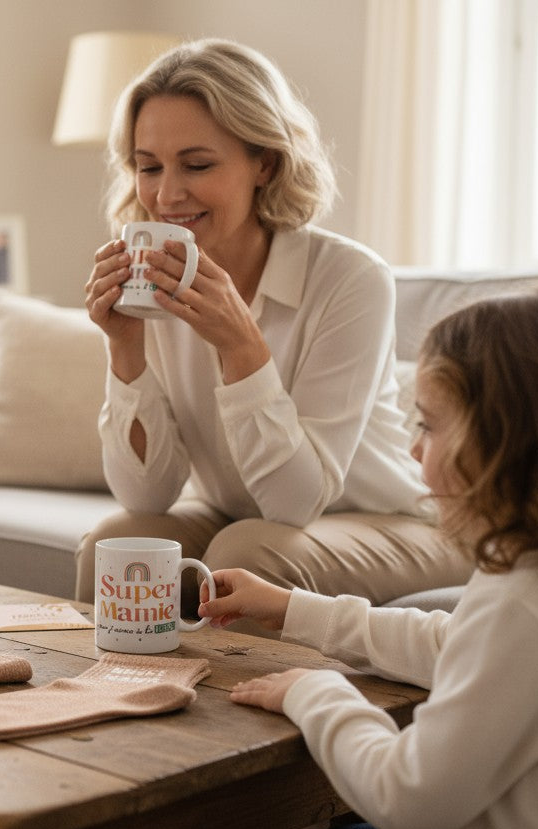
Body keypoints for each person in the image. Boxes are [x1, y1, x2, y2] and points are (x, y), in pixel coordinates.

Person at [78, 38, 470, 619]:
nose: (166, 194)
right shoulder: (155, 277)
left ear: (265, 161)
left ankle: (235, 710)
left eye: (198, 164)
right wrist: (125, 346)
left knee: (246, 553)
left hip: (394, 521)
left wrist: (241, 345)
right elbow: (146, 496)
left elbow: (295, 501)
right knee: (120, 543)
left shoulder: (349, 278)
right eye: (148, 166)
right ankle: (108, 698)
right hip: (248, 514)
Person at [197, 290, 538, 829]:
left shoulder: (523, 606)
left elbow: (406, 800)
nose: (415, 451)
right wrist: (293, 608)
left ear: (502, 441)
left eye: (429, 426)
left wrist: (317, 694)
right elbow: (452, 644)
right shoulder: (529, 574)